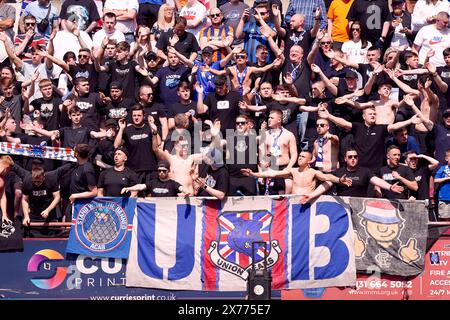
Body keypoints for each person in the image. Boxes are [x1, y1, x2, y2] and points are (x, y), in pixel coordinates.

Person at [241, 150, 351, 195]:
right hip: (294, 203)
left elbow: (327, 176)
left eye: (303, 157)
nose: (300, 158)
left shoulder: (313, 172)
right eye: (299, 156)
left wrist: (339, 180)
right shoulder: (292, 171)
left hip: (308, 202)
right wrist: (253, 174)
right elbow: (272, 173)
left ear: (309, 161)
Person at [330, 148, 404, 197]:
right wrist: (317, 195)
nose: (353, 159)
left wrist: (390, 187)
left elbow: (376, 180)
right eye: (350, 157)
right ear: (345, 159)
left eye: (355, 157)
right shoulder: (338, 172)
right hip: (343, 207)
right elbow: (326, 185)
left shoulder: (365, 171)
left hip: (359, 207)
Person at [114, 106, 158, 184]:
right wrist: (121, 129)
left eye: (139, 115)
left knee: (150, 195)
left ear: (144, 116)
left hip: (150, 169)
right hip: (133, 170)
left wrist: (154, 131)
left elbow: (157, 145)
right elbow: (116, 145)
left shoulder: (149, 128)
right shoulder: (127, 130)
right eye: (134, 115)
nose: (136, 118)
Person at [22, 164, 61, 237]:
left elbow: (57, 197)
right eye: (34, 182)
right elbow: (24, 200)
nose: (37, 184)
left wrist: (48, 210)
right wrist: (26, 216)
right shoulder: (27, 182)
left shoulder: (51, 180)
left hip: (50, 217)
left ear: (43, 177)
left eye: (39, 181)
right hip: (34, 217)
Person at [0, 155, 14, 223]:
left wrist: (4, 214)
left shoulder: (2, 179)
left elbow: (2, 197)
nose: (7, 173)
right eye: (8, 170)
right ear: (7, 168)